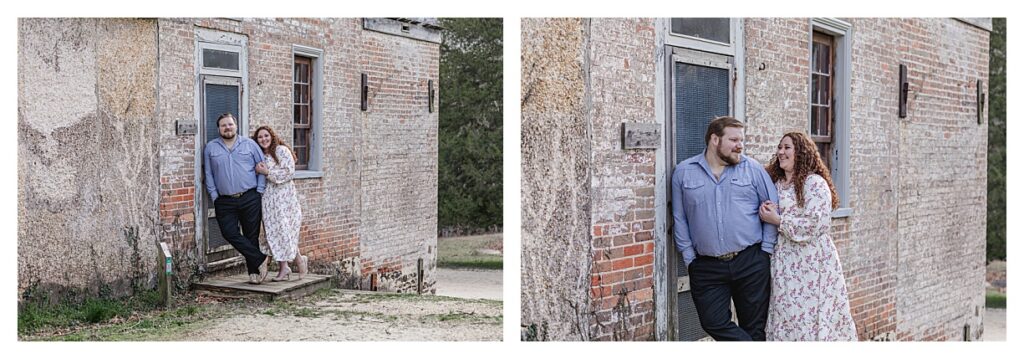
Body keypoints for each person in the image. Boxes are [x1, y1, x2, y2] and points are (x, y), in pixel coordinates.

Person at [671, 116, 779, 341]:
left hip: (750, 261)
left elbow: (772, 207)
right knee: (713, 323)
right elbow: (679, 218)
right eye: (734, 139)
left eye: (742, 139)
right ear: (714, 139)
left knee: (754, 328)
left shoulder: (753, 169)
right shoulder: (683, 172)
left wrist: (765, 251)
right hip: (706, 266)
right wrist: (690, 258)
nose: (740, 145)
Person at [759, 132, 858, 341]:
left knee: (812, 315)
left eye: (787, 147)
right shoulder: (775, 183)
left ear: (801, 152)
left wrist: (778, 220)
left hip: (813, 262)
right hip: (784, 261)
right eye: (779, 147)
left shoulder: (814, 184)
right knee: (786, 314)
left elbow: (817, 224)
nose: (780, 152)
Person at [204, 113, 269, 285]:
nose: (227, 127)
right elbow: (209, 173)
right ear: (218, 128)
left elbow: (262, 166)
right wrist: (214, 196)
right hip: (224, 200)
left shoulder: (250, 145)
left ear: (236, 126)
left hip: (250, 196)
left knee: (251, 235)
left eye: (230, 124)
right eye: (224, 125)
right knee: (229, 233)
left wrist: (259, 191)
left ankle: (254, 273)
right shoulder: (211, 148)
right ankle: (260, 258)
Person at [252, 126, 307, 281]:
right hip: (268, 199)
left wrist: (267, 172)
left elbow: (289, 173)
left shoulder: (281, 151)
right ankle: (289, 265)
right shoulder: (260, 155)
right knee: (274, 232)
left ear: (272, 136)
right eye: (260, 137)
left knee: (285, 230)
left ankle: (293, 263)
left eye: (266, 136)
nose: (263, 139)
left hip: (285, 198)